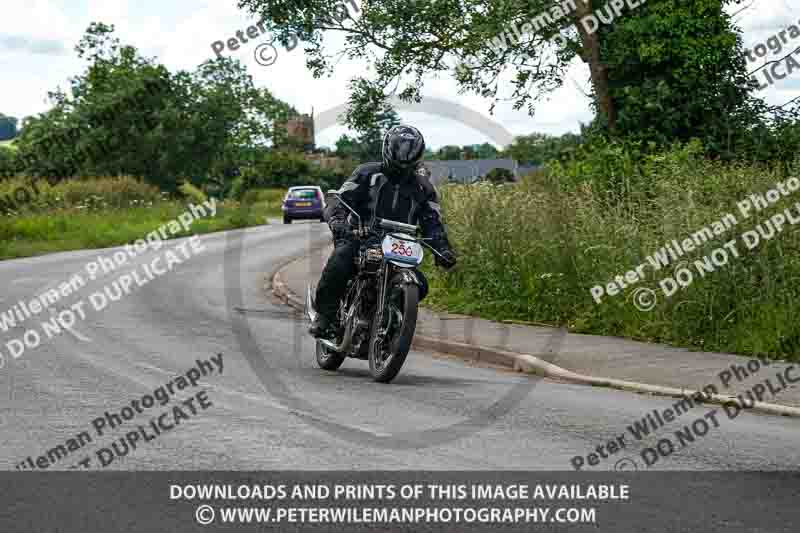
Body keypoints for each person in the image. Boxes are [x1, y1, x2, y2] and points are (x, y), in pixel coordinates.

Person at [309, 124, 457, 338]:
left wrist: (442, 249)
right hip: (360, 236)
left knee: (421, 285)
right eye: (401, 148)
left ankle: (389, 322)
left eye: (410, 150)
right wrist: (338, 220)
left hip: (399, 246)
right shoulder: (367, 173)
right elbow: (339, 200)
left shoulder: (424, 187)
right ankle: (325, 316)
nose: (404, 155)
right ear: (389, 148)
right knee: (341, 260)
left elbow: (432, 220)